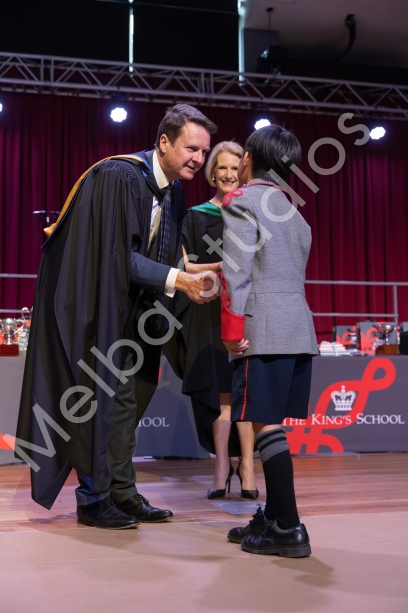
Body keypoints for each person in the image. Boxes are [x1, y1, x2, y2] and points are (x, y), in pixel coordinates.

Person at [15, 104, 219, 530]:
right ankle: (92, 499)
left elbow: (158, 254)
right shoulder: (119, 176)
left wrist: (196, 272)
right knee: (98, 402)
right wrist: (179, 281)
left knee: (128, 399)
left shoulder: (174, 191)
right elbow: (116, 257)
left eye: (204, 151)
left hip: (136, 312)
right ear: (164, 142)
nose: (199, 159)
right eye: (192, 148)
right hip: (97, 308)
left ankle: (122, 491)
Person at [220, 124, 319, 557]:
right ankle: (273, 518)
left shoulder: (241, 200)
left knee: (265, 424)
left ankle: (289, 529)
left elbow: (236, 272)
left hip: (262, 329)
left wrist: (231, 330)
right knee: (273, 423)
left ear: (248, 160)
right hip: (299, 328)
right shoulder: (296, 214)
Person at [169, 141, 258, 499]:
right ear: (212, 173)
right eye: (221, 167)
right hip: (207, 311)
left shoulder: (252, 212)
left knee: (246, 392)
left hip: (247, 309)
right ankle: (221, 466)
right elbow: (184, 266)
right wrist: (222, 265)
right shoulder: (195, 215)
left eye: (235, 168)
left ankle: (248, 467)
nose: (228, 174)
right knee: (221, 394)